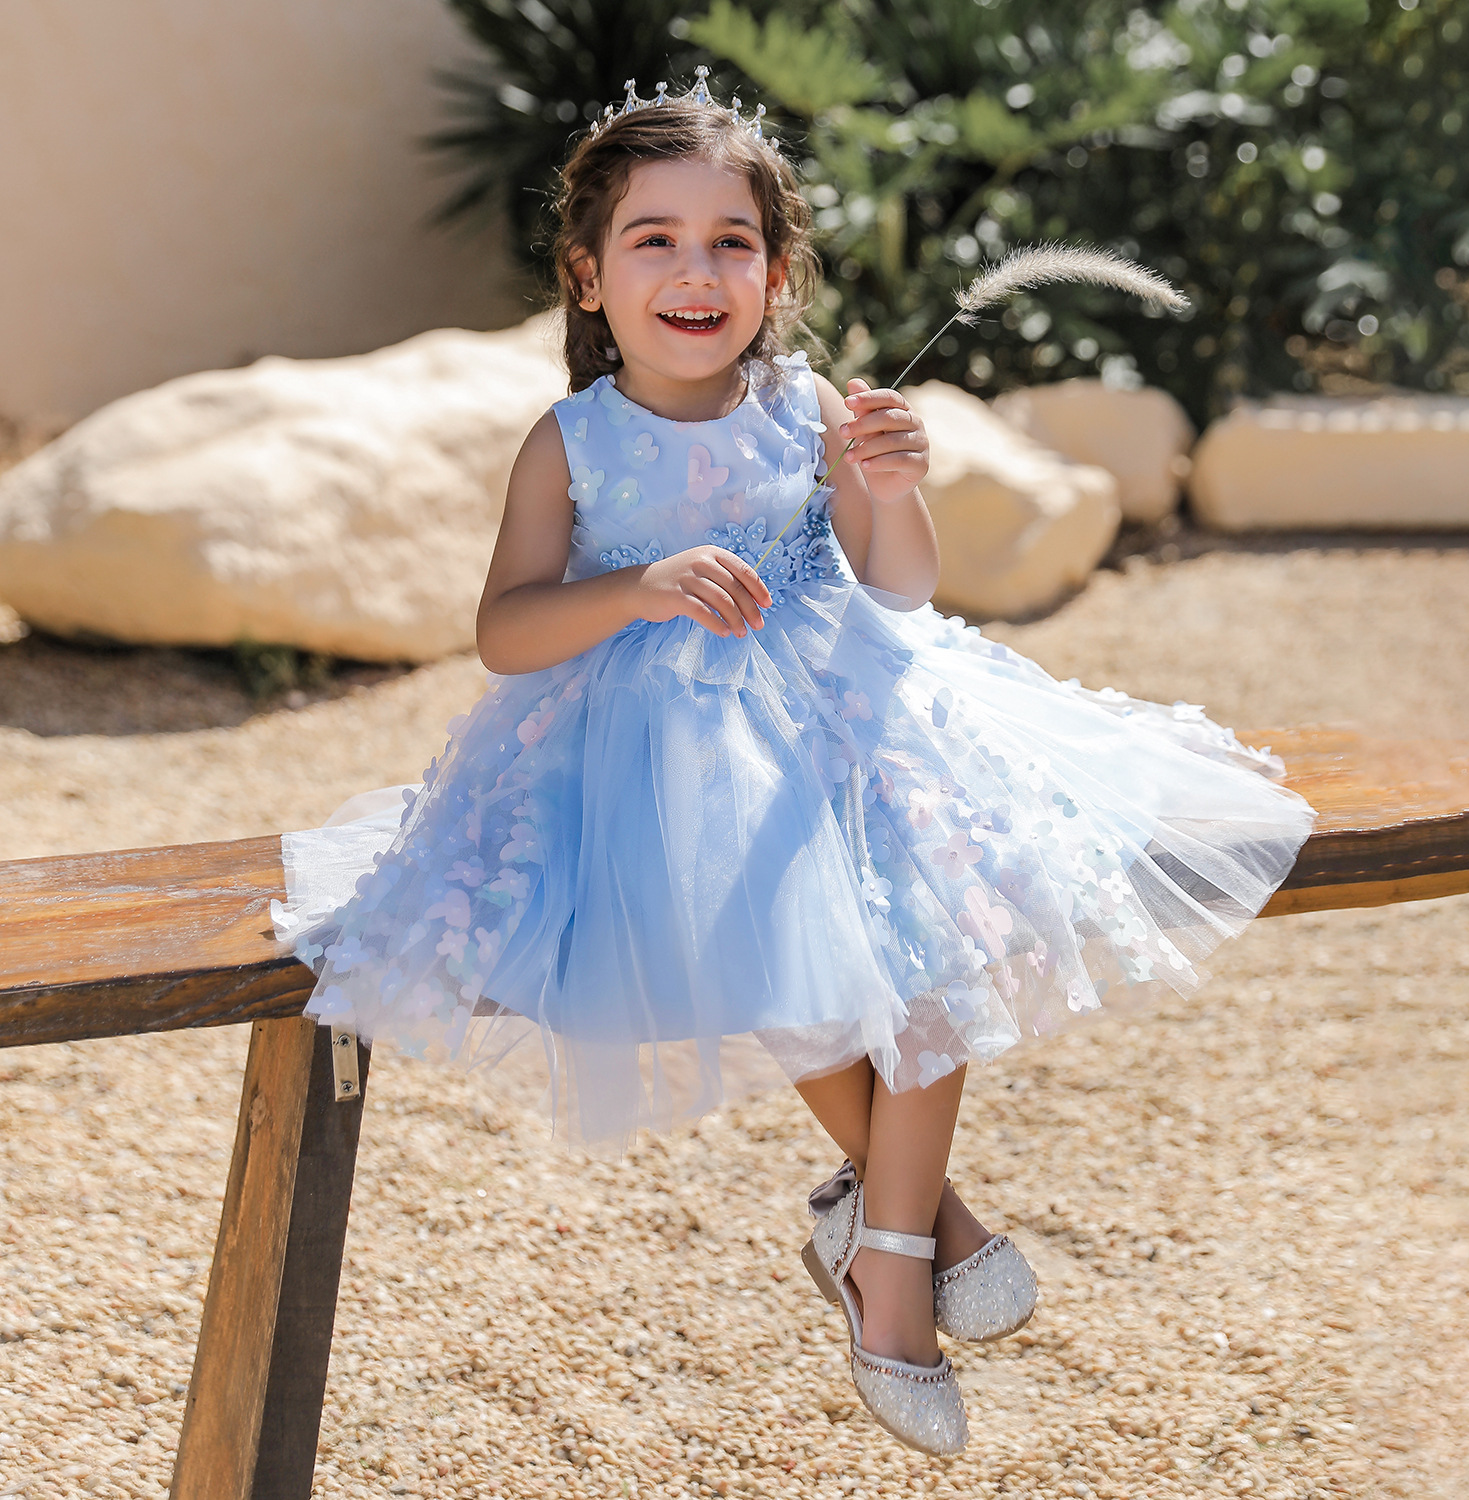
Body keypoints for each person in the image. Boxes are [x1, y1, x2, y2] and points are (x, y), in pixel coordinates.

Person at [273, 72, 1315, 1457]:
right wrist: (640, 584)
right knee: (780, 955)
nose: (697, 273)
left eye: (732, 243)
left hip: (851, 709)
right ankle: (924, 1225)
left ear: (776, 271)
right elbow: (507, 632)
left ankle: (887, 1260)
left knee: (936, 929)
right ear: (587, 275)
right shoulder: (572, 443)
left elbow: (899, 589)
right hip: (657, 754)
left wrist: (891, 489)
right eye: (655, 240)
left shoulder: (807, 403)